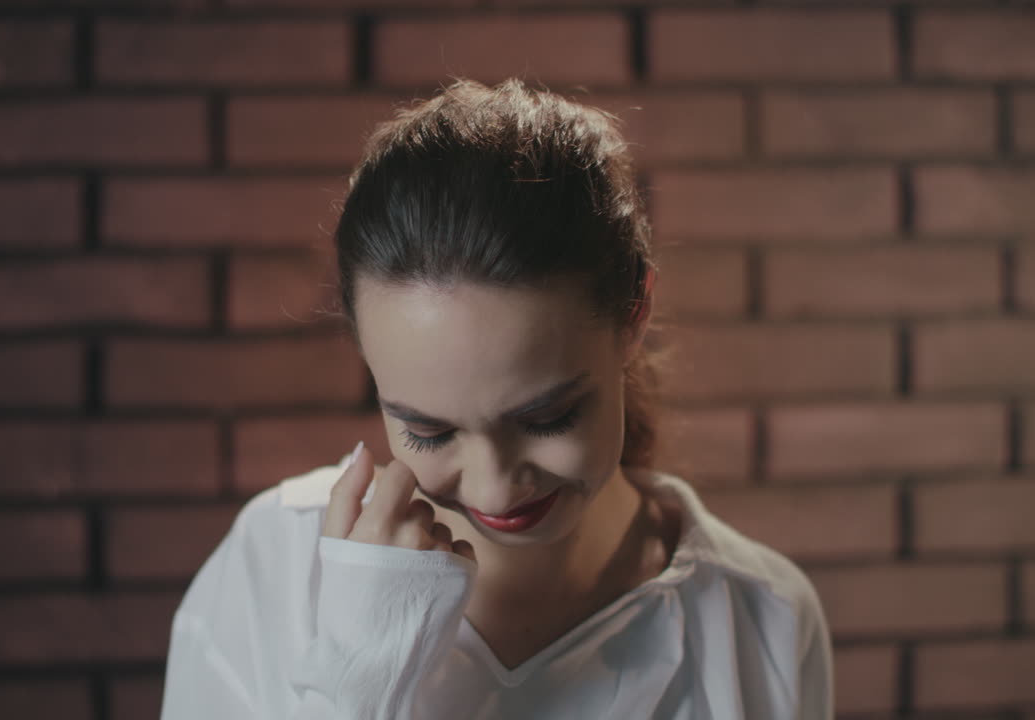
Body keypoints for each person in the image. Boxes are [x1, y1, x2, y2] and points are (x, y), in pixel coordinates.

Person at [160, 77, 833, 720]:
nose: (493, 490)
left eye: (548, 417)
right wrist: (362, 669)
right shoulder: (273, 564)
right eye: (427, 431)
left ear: (635, 312)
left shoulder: (763, 617)